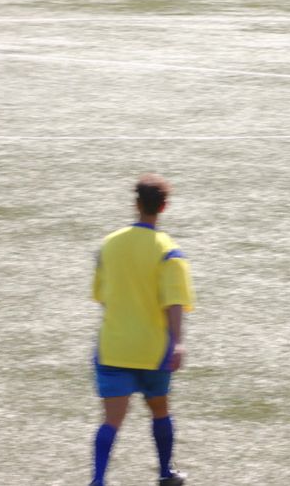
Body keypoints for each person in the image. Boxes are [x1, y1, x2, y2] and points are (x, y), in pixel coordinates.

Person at [90, 174, 194, 486]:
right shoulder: (169, 251)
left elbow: (102, 297)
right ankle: (165, 473)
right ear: (164, 207)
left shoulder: (109, 245)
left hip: (114, 346)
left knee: (111, 420)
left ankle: (97, 480)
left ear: (136, 204)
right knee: (160, 409)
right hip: (153, 350)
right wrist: (177, 344)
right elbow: (174, 302)